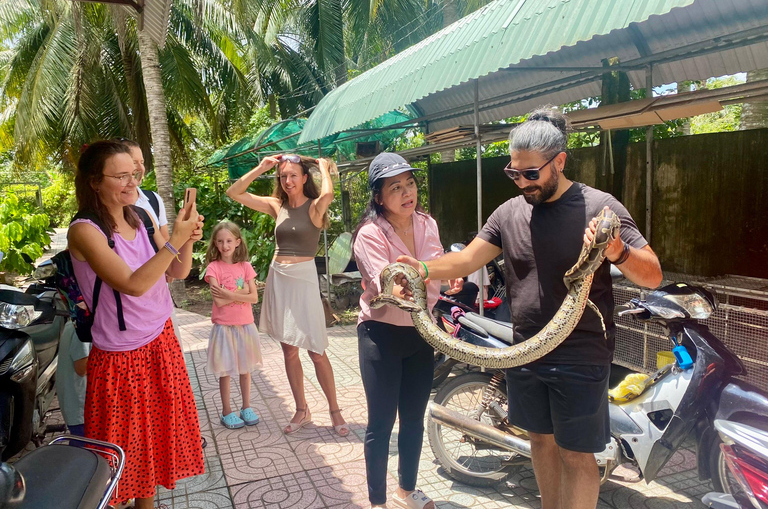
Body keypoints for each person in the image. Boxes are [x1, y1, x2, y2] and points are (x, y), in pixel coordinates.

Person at [397, 108, 663, 509]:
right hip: (526, 349)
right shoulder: (509, 213)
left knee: (576, 452)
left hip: (581, 352)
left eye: (530, 174)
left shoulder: (600, 208)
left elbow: (653, 275)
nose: (522, 182)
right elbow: (467, 260)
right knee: (539, 439)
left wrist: (618, 251)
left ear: (559, 161)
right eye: (513, 173)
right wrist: (420, 268)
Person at [67, 140, 205, 509]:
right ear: (95, 181)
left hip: (161, 340)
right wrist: (174, 241)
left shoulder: (139, 217)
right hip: (121, 357)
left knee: (156, 446)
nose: (132, 182)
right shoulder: (85, 231)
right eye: (121, 176)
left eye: (135, 173)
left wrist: (186, 239)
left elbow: (177, 270)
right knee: (123, 456)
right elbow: (132, 283)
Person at [226, 154, 348, 436]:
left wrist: (321, 167)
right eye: (283, 176)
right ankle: (301, 409)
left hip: (303, 280)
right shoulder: (276, 206)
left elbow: (328, 192)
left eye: (293, 175)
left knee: (316, 350)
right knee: (289, 349)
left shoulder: (316, 207)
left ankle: (335, 410)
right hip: (278, 277)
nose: (288, 181)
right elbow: (234, 192)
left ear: (305, 178)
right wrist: (262, 167)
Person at [353, 152, 448, 509]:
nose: (407, 192)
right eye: (396, 187)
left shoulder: (427, 224)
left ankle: (406, 491)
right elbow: (388, 284)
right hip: (381, 335)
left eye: (410, 183)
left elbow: (433, 269)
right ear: (379, 197)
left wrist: (443, 277)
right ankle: (377, 502)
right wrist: (407, 286)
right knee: (380, 422)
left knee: (413, 418)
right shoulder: (370, 234)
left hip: (420, 334)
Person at [204, 221, 263, 429]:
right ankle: (226, 410)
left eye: (229, 241)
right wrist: (241, 294)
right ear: (215, 244)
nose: (225, 245)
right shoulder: (213, 268)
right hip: (224, 327)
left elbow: (254, 297)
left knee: (245, 369)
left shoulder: (245, 267)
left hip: (245, 326)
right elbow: (218, 302)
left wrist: (229, 293)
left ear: (237, 242)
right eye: (220, 241)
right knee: (226, 371)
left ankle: (246, 407)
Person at [116, 138, 170, 241]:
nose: (141, 168)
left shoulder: (154, 199)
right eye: (134, 162)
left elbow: (165, 245)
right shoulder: (112, 207)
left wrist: (187, 238)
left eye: (142, 162)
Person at [56, 321, 90, 436]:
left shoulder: (74, 323)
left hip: (77, 404)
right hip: (80, 407)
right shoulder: (83, 328)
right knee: (84, 448)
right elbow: (81, 369)